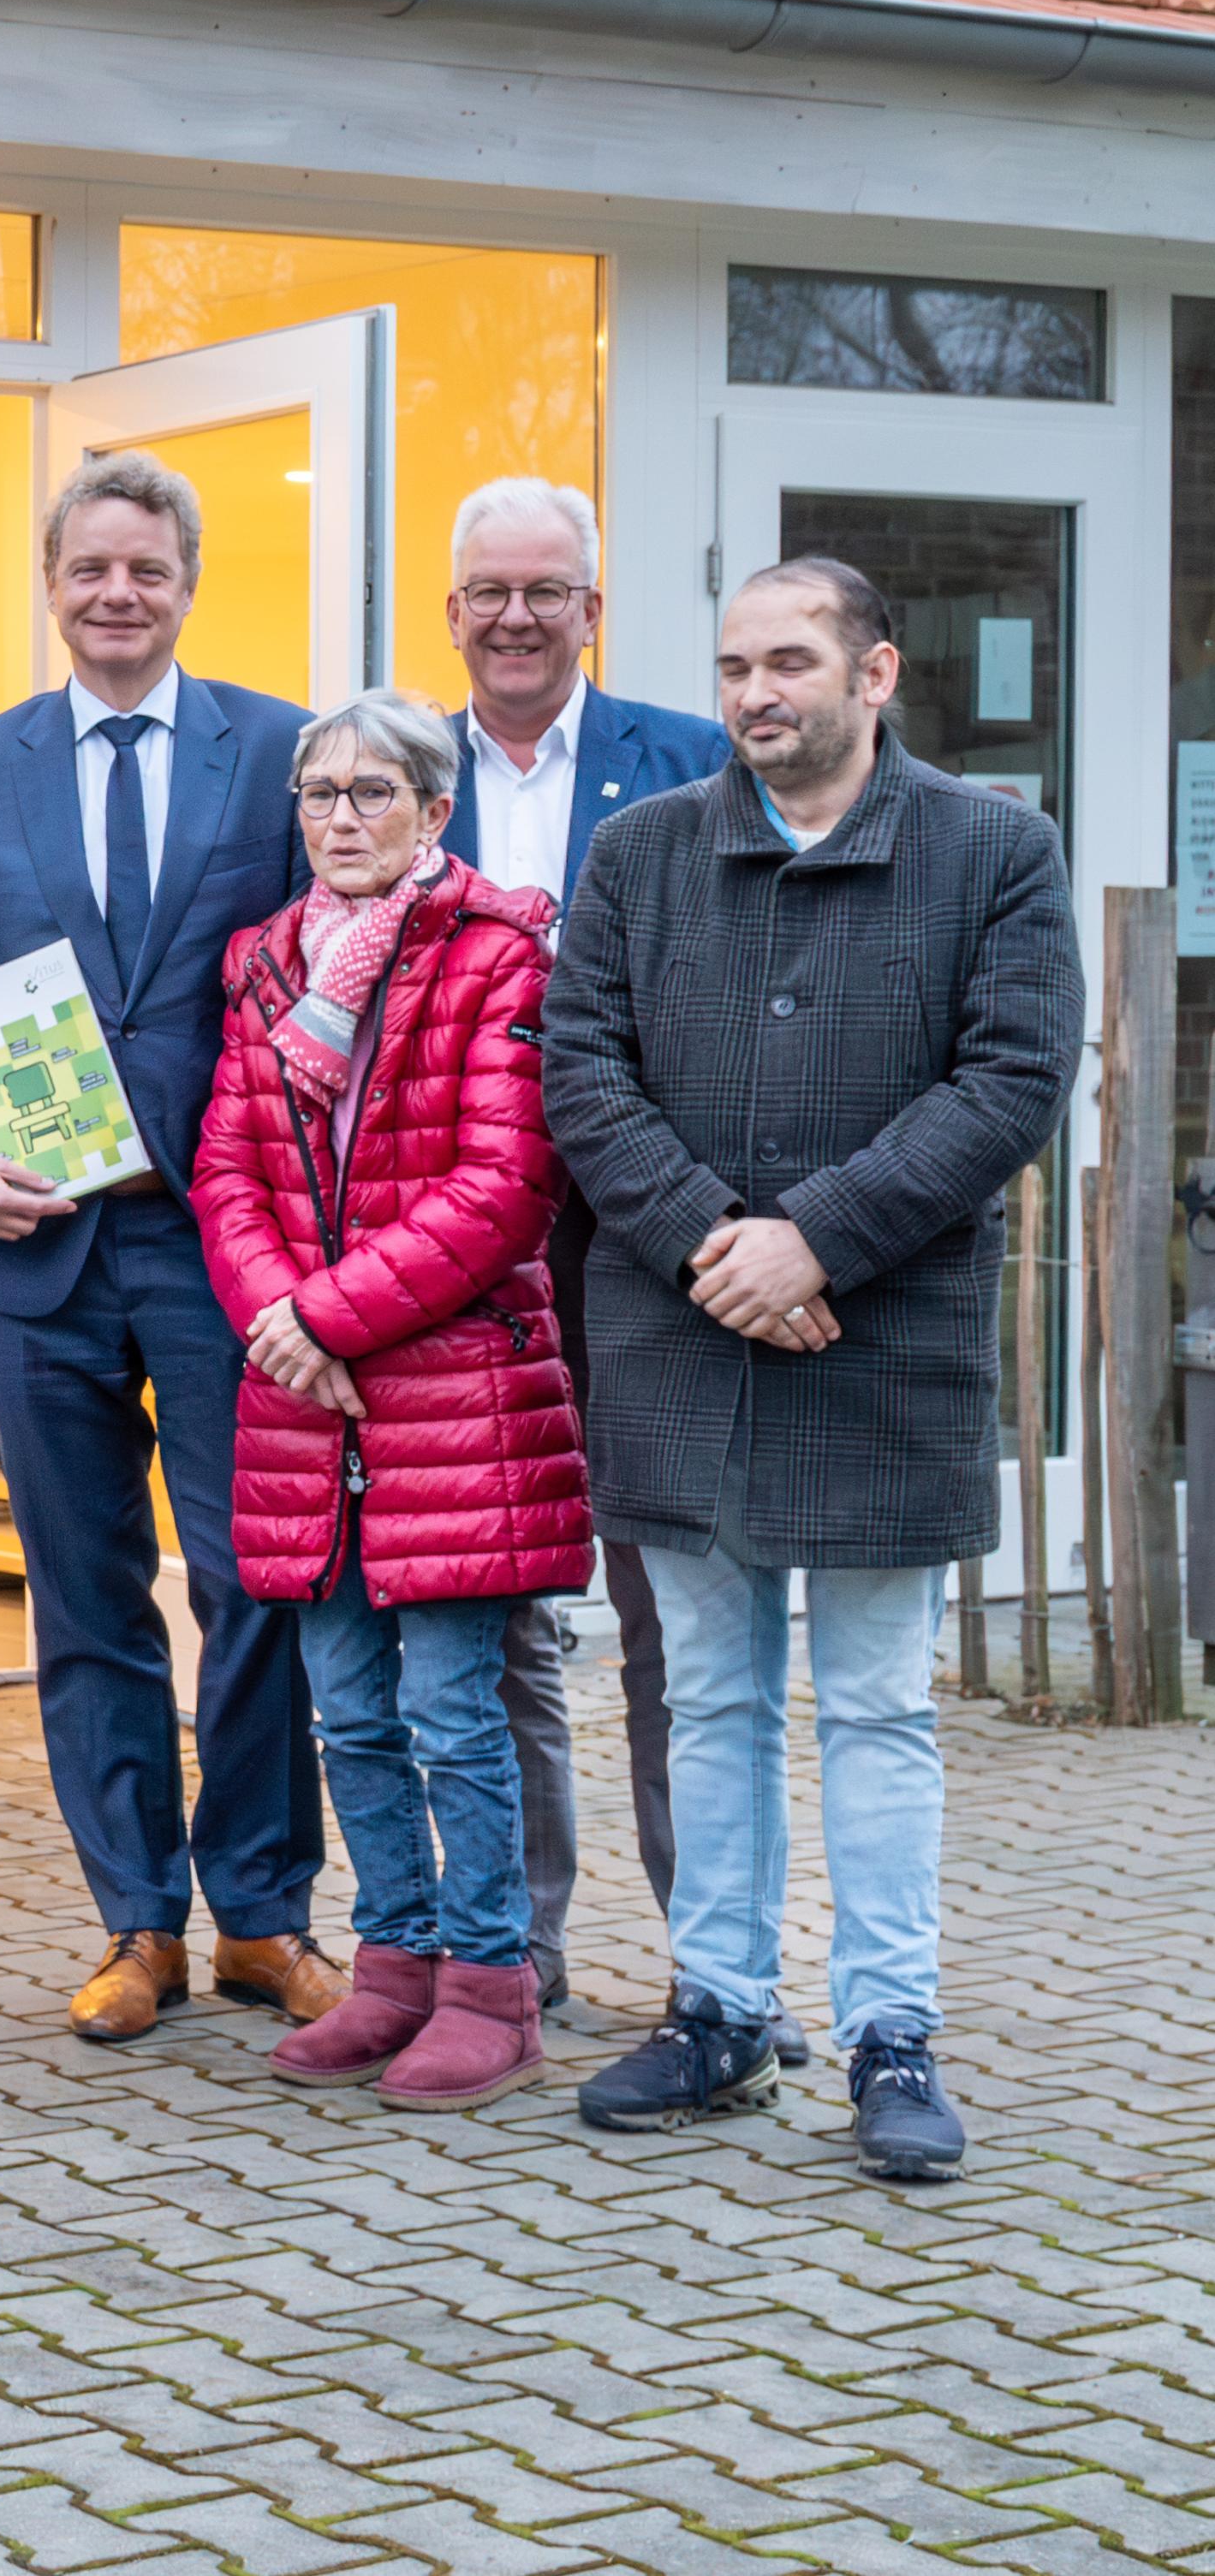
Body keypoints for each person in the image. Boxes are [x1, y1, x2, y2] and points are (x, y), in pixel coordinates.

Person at [546, 557, 1077, 2185]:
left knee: (876, 1709)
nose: (755, 693)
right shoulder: (640, 853)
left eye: (789, 661)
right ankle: (718, 2008)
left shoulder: (993, 850)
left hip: (883, 1346)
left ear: (875, 673)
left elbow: (1012, 1079)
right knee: (705, 1697)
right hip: (681, 1334)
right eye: (733, 668)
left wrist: (820, 1242)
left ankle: (891, 2036)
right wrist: (722, 1243)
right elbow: (581, 1071)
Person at [0, 450, 341, 2044]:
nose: (118, 593)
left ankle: (264, 1917)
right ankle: (137, 1923)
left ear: (188, 582)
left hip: (233, 1254)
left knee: (257, 1582)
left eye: (147, 567)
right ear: (54, 584)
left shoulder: (280, 751)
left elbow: (338, 967)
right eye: (91, 568)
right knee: (87, 1599)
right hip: (37, 1254)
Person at [192, 694, 588, 2109]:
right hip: (309, 1401)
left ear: (434, 810)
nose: (341, 816)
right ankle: (397, 1969)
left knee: (453, 1714)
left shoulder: (502, 950)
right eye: (319, 792)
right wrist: (282, 1324)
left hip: (452, 1392)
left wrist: (321, 1318)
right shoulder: (264, 962)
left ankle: (493, 1986)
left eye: (373, 791)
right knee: (350, 1713)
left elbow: (506, 1186)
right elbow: (226, 1170)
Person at [431, 474, 736, 2024]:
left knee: (676, 1617)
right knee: (498, 1615)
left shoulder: (689, 762)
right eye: (490, 591)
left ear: (592, 609)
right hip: (469, 1259)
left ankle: (717, 1959)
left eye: (545, 590)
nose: (517, 617)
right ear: (451, 612)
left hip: (649, 1244)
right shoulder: (401, 777)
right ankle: (517, 1941)